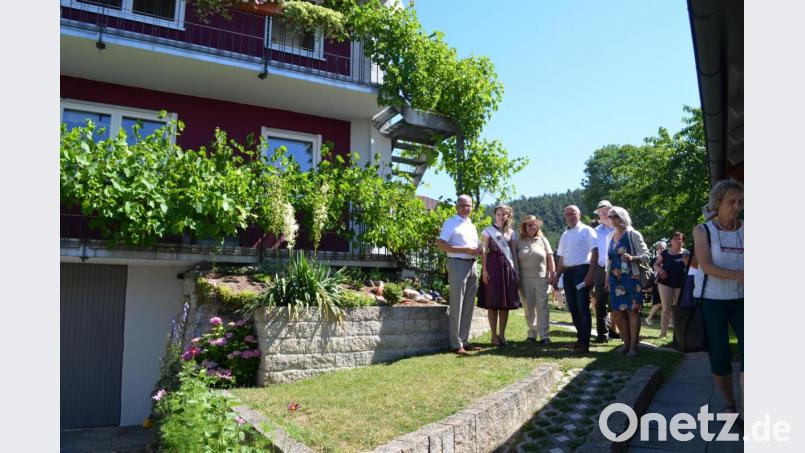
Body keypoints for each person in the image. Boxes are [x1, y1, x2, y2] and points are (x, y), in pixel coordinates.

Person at [693, 179, 743, 417]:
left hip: (744, 301)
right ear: (718, 203)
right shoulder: (703, 230)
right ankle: (729, 403)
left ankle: (746, 406)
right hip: (713, 301)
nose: (737, 206)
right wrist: (741, 275)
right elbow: (707, 266)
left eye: (741, 202)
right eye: (731, 201)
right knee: (720, 354)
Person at [437, 195, 484, 356]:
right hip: (457, 264)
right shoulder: (451, 222)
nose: (466, 208)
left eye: (469, 205)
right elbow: (441, 244)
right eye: (463, 205)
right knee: (457, 304)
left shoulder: (471, 225)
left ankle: (464, 340)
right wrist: (465, 250)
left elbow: (473, 246)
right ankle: (455, 344)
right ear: (457, 206)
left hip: (472, 265)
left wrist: (478, 250)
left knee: (469, 305)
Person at [604, 206, 649, 357]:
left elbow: (646, 255)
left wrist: (633, 258)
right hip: (615, 279)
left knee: (632, 311)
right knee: (616, 313)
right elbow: (608, 260)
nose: (612, 219)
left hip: (631, 278)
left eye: (615, 216)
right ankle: (626, 343)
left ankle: (633, 346)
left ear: (623, 216)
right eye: (610, 217)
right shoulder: (610, 236)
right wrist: (607, 279)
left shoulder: (633, 234)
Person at [555, 205, 597, 354]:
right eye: (567, 214)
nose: (570, 216)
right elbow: (561, 258)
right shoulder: (565, 234)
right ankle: (580, 339)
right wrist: (557, 275)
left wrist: (591, 274)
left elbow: (595, 252)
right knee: (572, 307)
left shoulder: (587, 230)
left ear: (579, 215)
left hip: (582, 271)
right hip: (568, 273)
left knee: (582, 307)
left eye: (573, 213)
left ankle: (584, 343)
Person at [478, 204, 520, 346]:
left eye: (504, 214)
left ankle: (502, 335)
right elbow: (483, 252)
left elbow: (514, 252)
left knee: (505, 304)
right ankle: (493, 336)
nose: (501, 217)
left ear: (508, 216)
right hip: (493, 268)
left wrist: (517, 271)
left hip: (507, 269)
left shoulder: (511, 233)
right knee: (492, 303)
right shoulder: (487, 231)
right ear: (495, 215)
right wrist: (484, 270)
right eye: (498, 214)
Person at [515, 215, 555, 344]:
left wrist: (552, 274)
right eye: (529, 224)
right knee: (528, 307)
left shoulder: (543, 240)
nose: (532, 226)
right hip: (524, 278)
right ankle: (532, 334)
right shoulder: (518, 241)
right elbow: (514, 259)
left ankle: (544, 335)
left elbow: (550, 258)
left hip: (541, 278)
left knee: (542, 307)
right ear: (524, 227)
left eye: (534, 224)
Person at [653, 232, 689, 337]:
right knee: (666, 308)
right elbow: (655, 264)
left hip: (680, 283)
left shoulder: (686, 253)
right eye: (675, 239)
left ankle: (677, 334)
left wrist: (685, 260)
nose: (677, 241)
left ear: (683, 241)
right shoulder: (664, 252)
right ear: (671, 241)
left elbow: (691, 268)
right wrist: (660, 270)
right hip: (665, 283)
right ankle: (663, 333)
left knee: (677, 308)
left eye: (680, 239)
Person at [591, 200, 617, 342]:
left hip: (618, 269)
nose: (604, 214)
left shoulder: (620, 228)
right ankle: (602, 334)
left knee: (619, 301)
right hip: (600, 270)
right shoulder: (595, 232)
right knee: (600, 303)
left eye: (606, 211)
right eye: (601, 212)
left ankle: (622, 333)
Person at [645, 241, 666, 326]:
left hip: (665, 283)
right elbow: (650, 273)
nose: (661, 249)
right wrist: (649, 286)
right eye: (659, 248)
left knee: (666, 304)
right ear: (657, 249)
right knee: (659, 303)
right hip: (656, 283)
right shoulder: (654, 260)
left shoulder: (666, 259)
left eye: (663, 248)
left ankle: (671, 322)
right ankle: (649, 318)